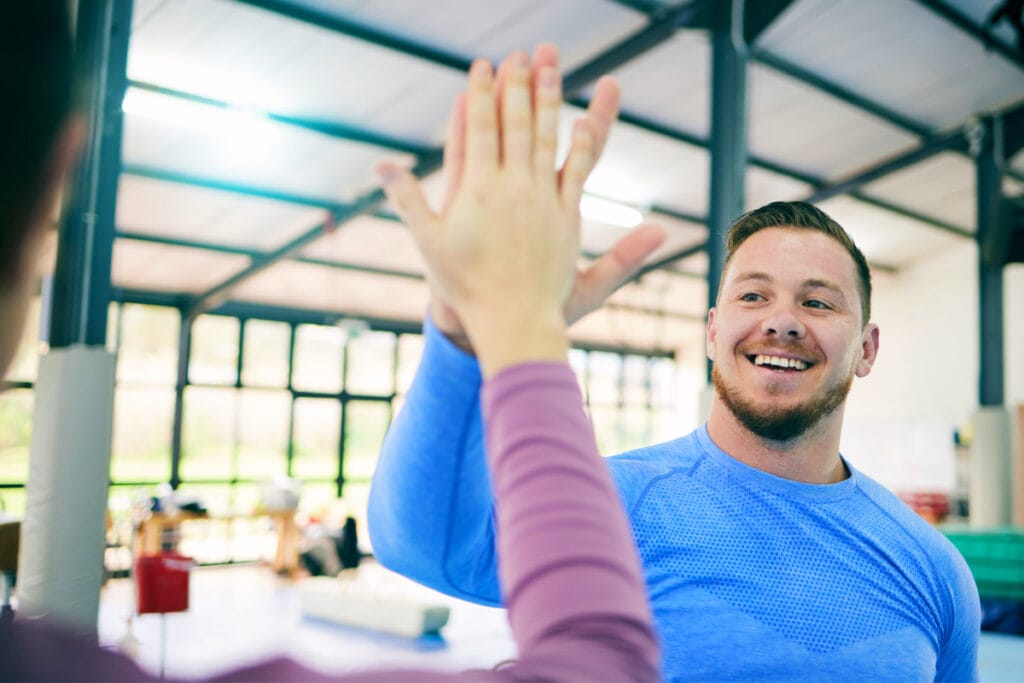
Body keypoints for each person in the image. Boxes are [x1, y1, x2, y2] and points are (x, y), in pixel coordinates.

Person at [0, 4, 659, 681]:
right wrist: (510, 327)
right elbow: (591, 658)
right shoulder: (649, 492)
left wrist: (512, 323)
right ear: (60, 171)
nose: (777, 319)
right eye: (751, 291)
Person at [368, 72, 983, 683]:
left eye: (818, 303)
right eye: (753, 295)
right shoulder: (615, 504)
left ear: (867, 349)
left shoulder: (933, 570)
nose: (782, 322)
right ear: (713, 332)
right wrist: (464, 334)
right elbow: (420, 542)